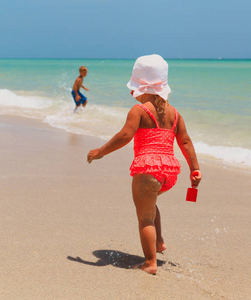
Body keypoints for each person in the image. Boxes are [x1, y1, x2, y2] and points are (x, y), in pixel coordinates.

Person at [87, 54, 202, 275]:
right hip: (169, 171)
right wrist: (194, 169)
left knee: (144, 218)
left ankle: (150, 263)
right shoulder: (175, 114)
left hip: (147, 169)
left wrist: (101, 151)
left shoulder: (139, 111)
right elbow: (185, 141)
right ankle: (158, 242)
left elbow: (124, 135)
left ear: (141, 87)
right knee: (150, 205)